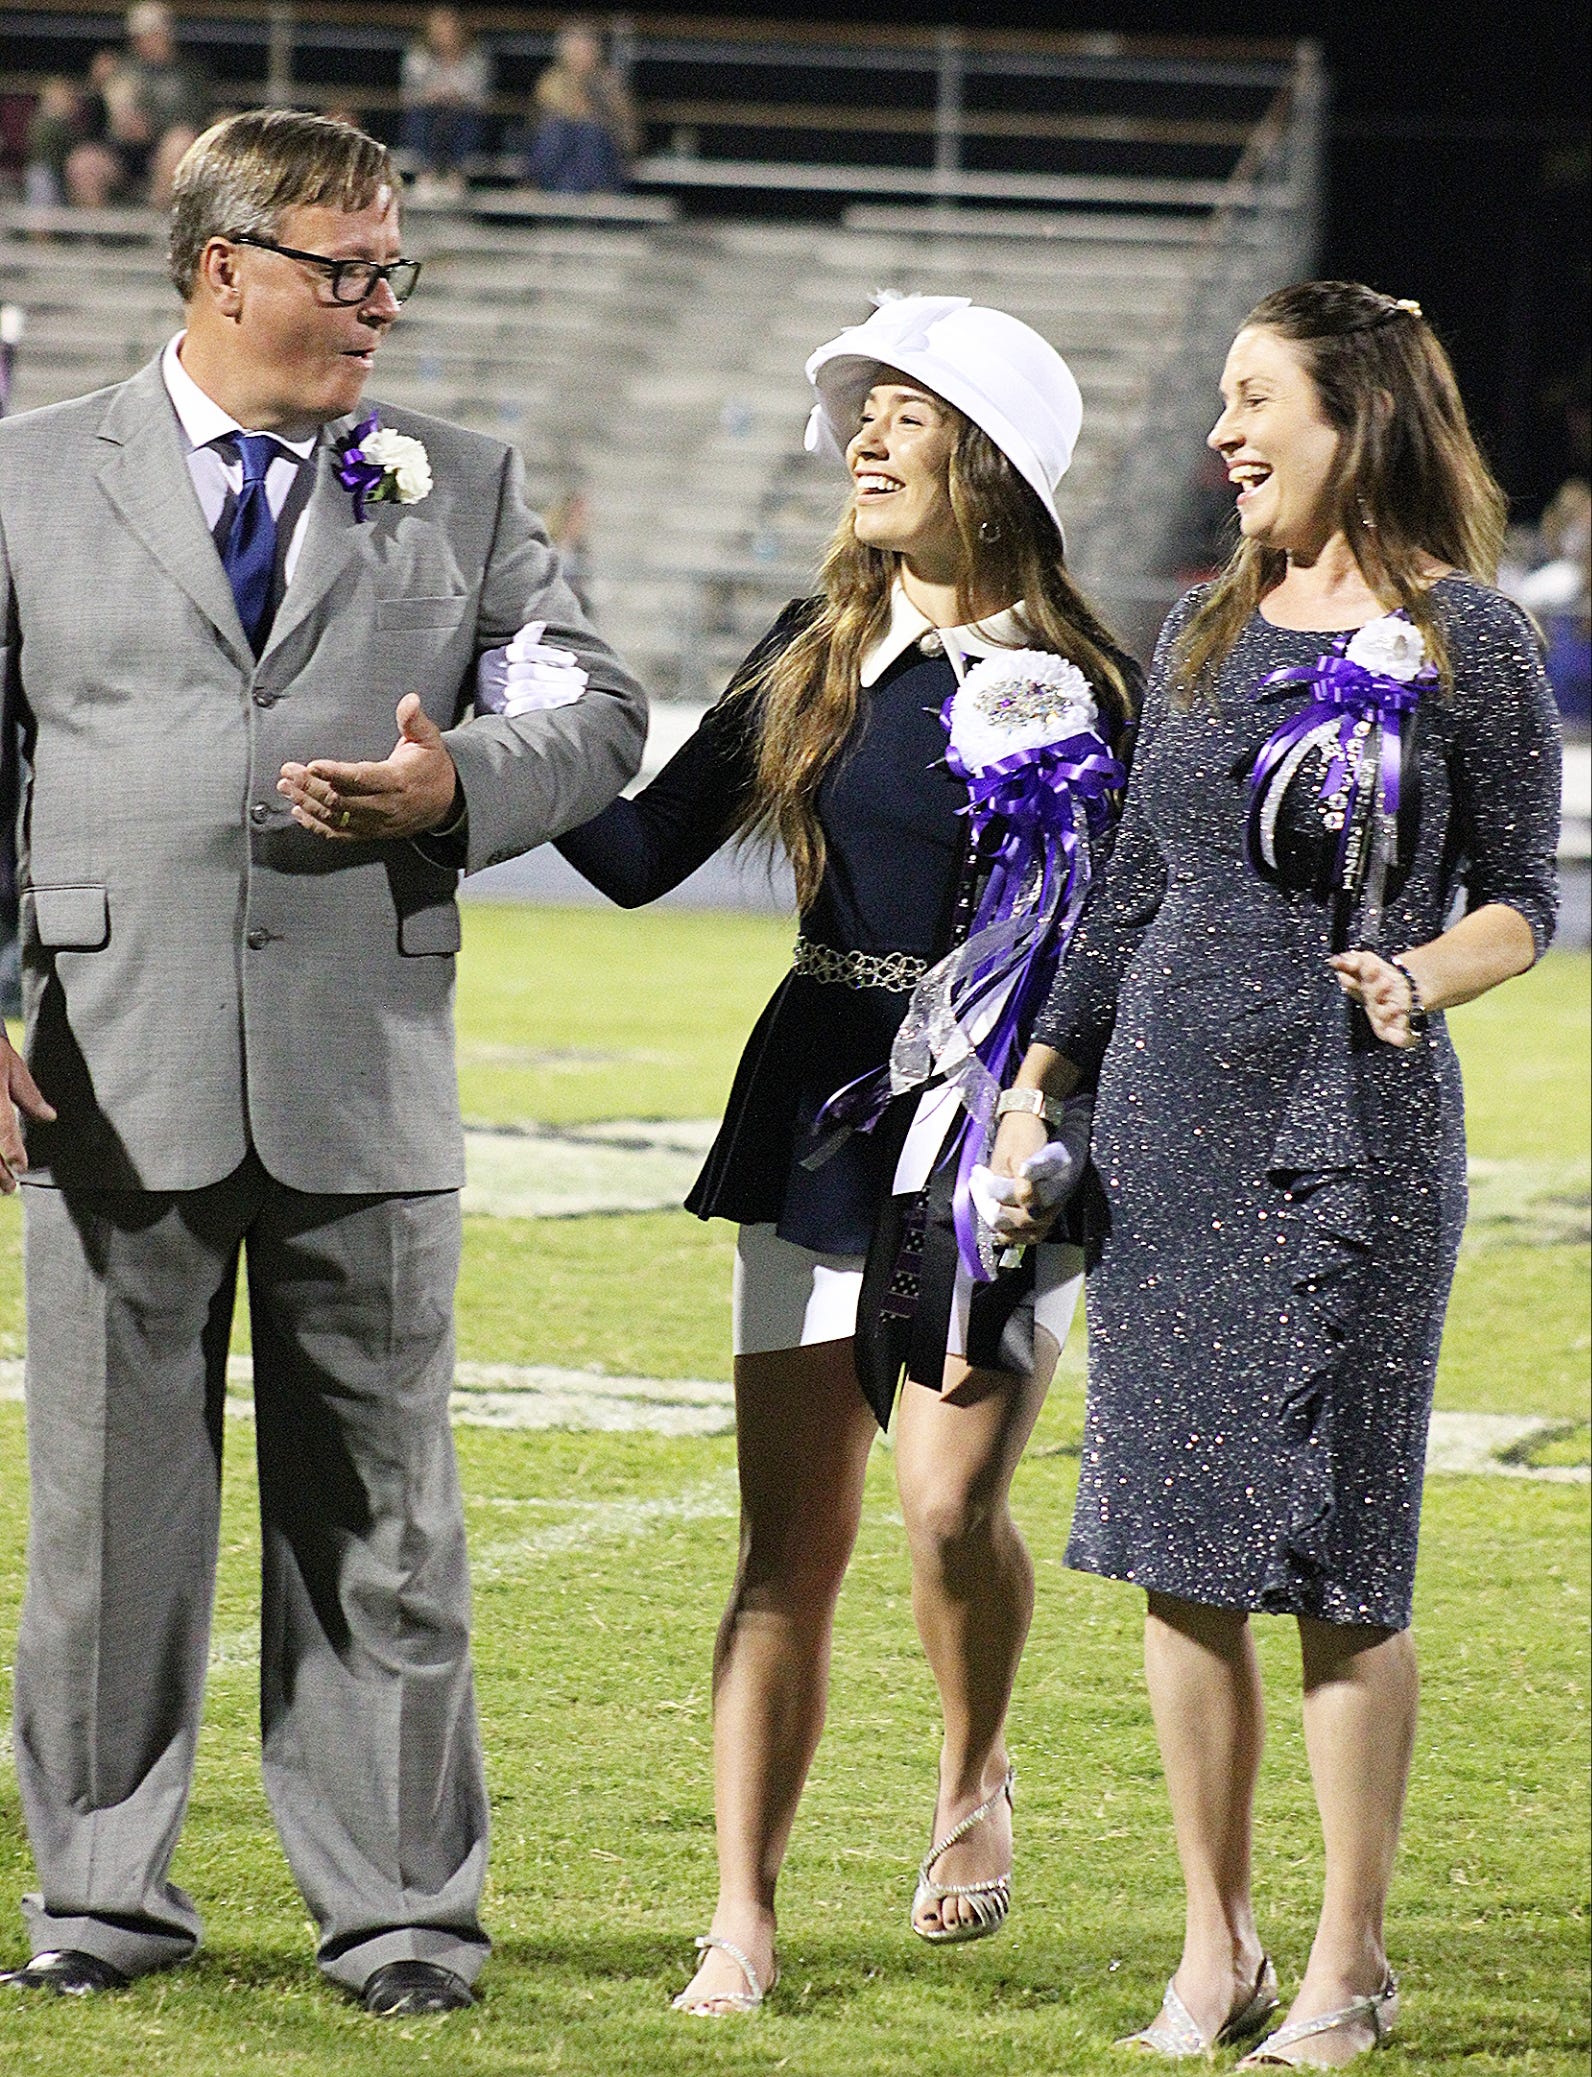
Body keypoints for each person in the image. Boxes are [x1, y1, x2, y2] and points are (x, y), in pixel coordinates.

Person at [0, 108, 646, 2016]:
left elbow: (592, 704)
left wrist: (468, 783)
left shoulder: (455, 475)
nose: (376, 308)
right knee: (106, 1530)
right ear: (221, 268)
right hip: (112, 1067)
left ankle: (399, 1922)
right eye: (341, 269)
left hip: (364, 1063)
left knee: (383, 1526)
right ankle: (102, 1900)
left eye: (391, 271)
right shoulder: (31, 476)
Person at [992, 281, 1561, 2067]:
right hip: (1167, 1120)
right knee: (1179, 1555)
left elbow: (1521, 896)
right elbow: (1134, 893)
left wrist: (1415, 973)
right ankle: (1212, 1942)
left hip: (1352, 1128)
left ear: (1358, 417)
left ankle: (1349, 1957)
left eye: (1257, 401)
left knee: (1334, 1556)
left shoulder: (1472, 636)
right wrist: (1038, 1086)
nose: (1225, 433)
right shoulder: (1196, 633)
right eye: (1225, 403)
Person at [556, 294, 1139, 2016]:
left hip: (997, 1133)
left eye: (910, 412)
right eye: (861, 412)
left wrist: (1066, 1107)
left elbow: (1117, 938)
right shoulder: (809, 652)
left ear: (996, 459)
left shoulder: (1095, 688)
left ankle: (973, 1771)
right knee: (782, 1548)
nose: (866, 438)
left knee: (947, 1507)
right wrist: (486, 759)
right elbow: (638, 849)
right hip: (814, 1108)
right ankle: (739, 1914)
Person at [523, 19, 637, 195]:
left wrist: (595, 114)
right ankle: (543, 188)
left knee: (589, 133)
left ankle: (600, 191)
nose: (580, 55)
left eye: (585, 49)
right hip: (560, 156)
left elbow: (629, 135)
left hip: (601, 156)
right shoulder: (550, 80)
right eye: (575, 50)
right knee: (557, 131)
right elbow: (537, 125)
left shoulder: (609, 81)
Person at [401, 7, 491, 197]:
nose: (445, 34)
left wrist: (456, 96)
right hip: (428, 110)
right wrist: (431, 95)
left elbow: (480, 96)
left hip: (463, 112)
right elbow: (409, 94)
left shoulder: (475, 56)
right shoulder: (418, 55)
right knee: (421, 116)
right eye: (440, 28)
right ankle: (427, 173)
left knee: (465, 117)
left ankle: (456, 175)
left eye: (450, 28)